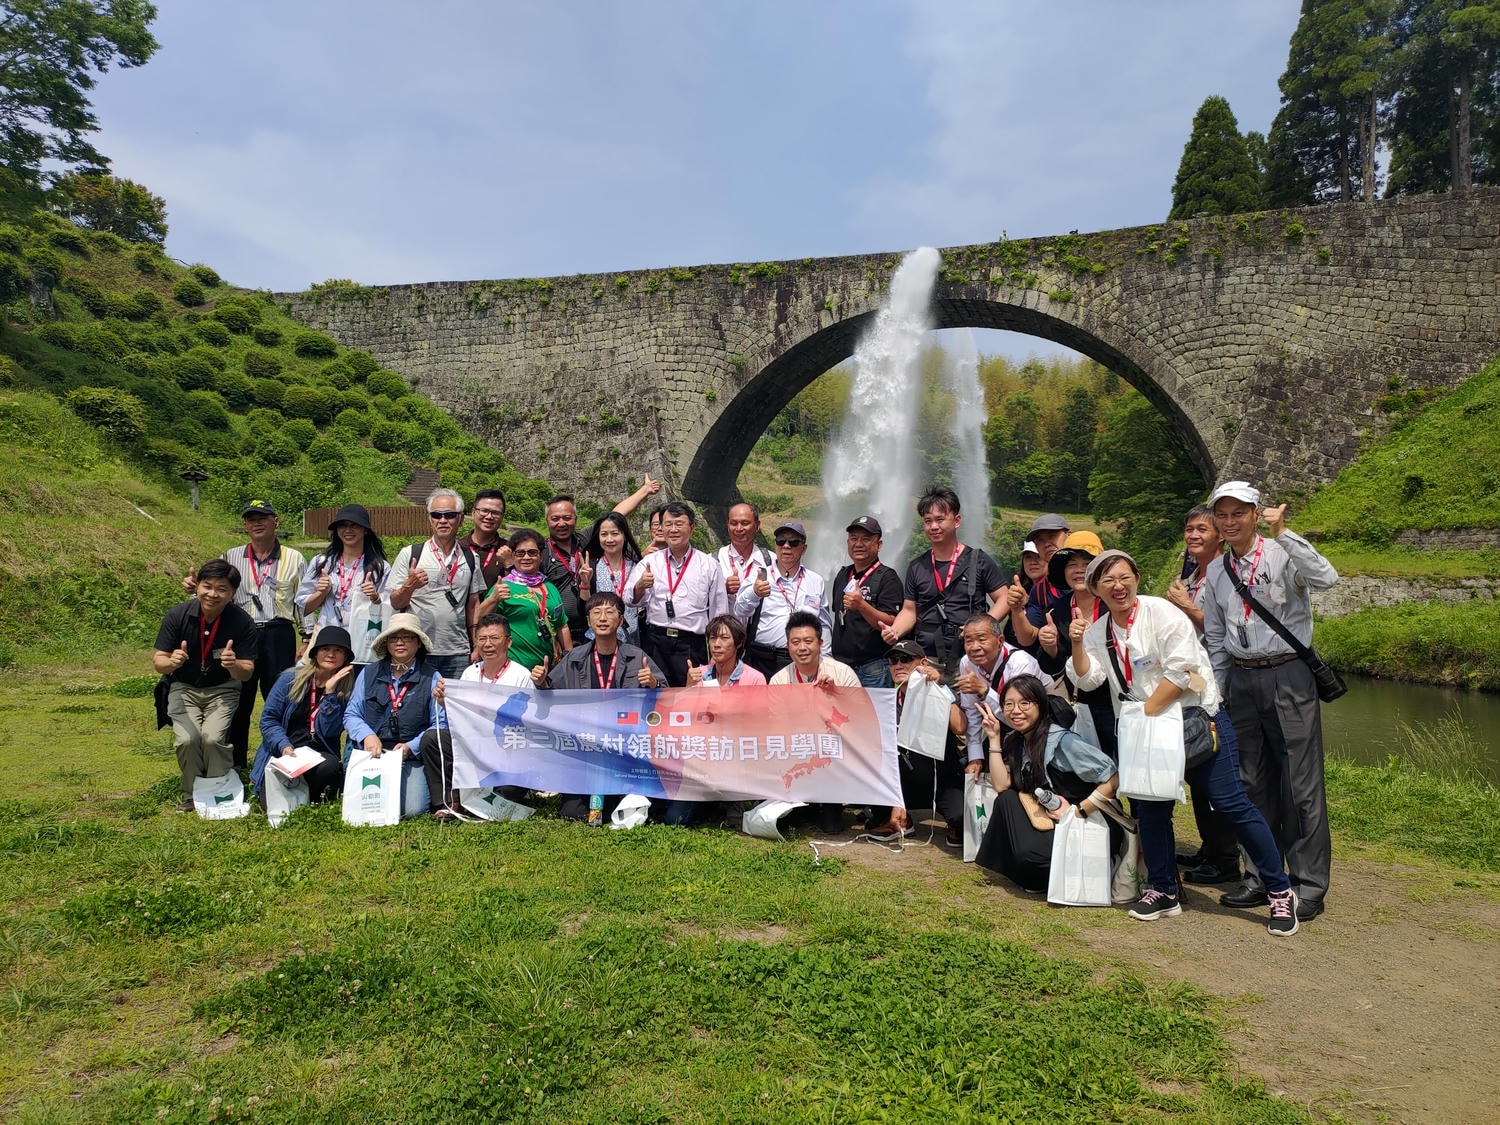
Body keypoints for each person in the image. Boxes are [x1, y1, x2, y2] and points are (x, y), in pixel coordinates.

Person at [1068, 549, 1299, 935]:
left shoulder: (1162, 613)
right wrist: (1076, 643)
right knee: (1151, 810)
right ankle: (1162, 888)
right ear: (1095, 589)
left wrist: (1145, 718)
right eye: (1107, 581)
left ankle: (1279, 889)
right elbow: (1088, 680)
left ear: (1137, 578)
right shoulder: (1098, 631)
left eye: (1124, 577)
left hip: (1195, 718)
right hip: (1148, 728)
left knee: (1231, 803)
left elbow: (1183, 670)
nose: (1118, 586)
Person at [1202, 481, 1339, 923]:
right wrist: (1215, 696)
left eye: (1238, 512)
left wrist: (1287, 535)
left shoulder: (1282, 552)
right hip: (1241, 679)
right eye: (1221, 515)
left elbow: (1326, 579)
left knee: (1300, 784)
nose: (1229, 521)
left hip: (1288, 674)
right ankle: (1262, 877)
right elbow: (1218, 637)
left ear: (1256, 513)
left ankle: (1307, 885)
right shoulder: (1217, 571)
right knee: (1249, 781)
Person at [187, 500, 306, 770]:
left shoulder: (294, 557)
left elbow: (302, 600)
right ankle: (234, 764)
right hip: (240, 633)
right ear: (245, 525)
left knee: (281, 697)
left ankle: (283, 761)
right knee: (238, 699)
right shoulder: (231, 556)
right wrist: (194, 591)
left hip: (279, 633)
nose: (257, 523)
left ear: (275, 521)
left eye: (262, 517)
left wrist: (307, 636)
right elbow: (216, 591)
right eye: (251, 519)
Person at [973, 674, 1119, 894]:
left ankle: (1096, 864)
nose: (1016, 710)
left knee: (1030, 857)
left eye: (1024, 703)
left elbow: (1113, 778)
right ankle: (1040, 874)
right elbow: (1001, 785)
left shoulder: (1062, 741)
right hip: (1055, 823)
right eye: (1009, 704)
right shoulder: (1016, 740)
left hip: (1087, 822)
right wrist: (993, 738)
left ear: (1040, 705)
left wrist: (1077, 811)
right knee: (1007, 799)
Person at [1162, 505, 1241, 886]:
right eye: (1188, 529)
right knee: (1195, 765)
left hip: (1218, 681)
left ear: (1220, 536)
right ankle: (1210, 848)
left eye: (1201, 530)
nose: (1193, 536)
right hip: (1194, 679)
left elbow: (1226, 629)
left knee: (1212, 769)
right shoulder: (1192, 573)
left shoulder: (1226, 574)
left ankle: (1226, 858)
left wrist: (1185, 606)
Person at [539, 593, 668, 822]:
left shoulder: (636, 656)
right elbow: (551, 693)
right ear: (588, 621)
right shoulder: (576, 657)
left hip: (624, 747)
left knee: (622, 808)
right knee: (573, 812)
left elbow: (666, 695)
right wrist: (541, 682)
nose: (603, 618)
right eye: (596, 612)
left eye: (610, 612)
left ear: (620, 620)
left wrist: (653, 683)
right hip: (586, 748)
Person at [154, 559, 261, 811]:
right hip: (184, 687)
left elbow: (246, 673)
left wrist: (233, 664)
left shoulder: (242, 622)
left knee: (213, 740)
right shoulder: (177, 615)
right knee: (188, 740)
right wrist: (172, 662)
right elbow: (158, 661)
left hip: (224, 688)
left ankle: (216, 792)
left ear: (233, 593)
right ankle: (191, 795)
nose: (213, 594)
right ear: (197, 586)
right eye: (207, 586)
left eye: (222, 588)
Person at [882, 487, 1011, 682]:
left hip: (970, 659)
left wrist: (980, 627)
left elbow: (1004, 598)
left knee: (970, 710)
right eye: (928, 521)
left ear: (956, 520)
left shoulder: (979, 560)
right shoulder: (917, 566)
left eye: (940, 519)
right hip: (927, 659)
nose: (933, 526)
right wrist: (895, 630)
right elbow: (910, 610)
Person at [344, 613, 446, 820]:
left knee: (412, 809)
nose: (400, 642)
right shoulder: (368, 673)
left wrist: (411, 747)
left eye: (408, 637)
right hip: (373, 753)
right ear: (386, 643)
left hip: (410, 755)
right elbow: (352, 714)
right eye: (394, 638)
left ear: (418, 644)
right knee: (369, 805)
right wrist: (367, 736)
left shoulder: (433, 677)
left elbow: (439, 723)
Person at [769, 611, 862, 834]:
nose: (802, 648)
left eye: (808, 641)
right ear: (788, 645)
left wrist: (834, 695)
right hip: (796, 753)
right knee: (787, 823)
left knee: (832, 827)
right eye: (796, 642)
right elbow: (775, 726)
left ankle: (831, 803)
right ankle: (802, 802)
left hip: (833, 756)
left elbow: (860, 718)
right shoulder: (779, 680)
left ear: (820, 643)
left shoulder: (842, 673)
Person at [866, 639, 967, 843]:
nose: (898, 665)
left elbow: (960, 726)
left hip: (941, 778)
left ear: (923, 664)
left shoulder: (937, 691)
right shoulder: (887, 700)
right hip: (904, 779)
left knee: (961, 818)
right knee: (870, 772)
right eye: (893, 661)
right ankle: (901, 820)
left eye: (905, 659)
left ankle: (953, 824)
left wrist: (940, 686)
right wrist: (895, 801)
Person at [1028, 530, 1118, 760]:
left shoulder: (1115, 603)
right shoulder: (1058, 609)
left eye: (1087, 563)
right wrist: (1050, 648)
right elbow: (1054, 665)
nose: (1079, 570)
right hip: (1080, 704)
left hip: (1118, 702)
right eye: (1072, 564)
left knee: (1125, 767)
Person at [542, 478, 661, 644]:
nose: (561, 523)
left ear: (575, 519)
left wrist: (645, 490)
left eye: (567, 518)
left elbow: (615, 517)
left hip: (606, 629)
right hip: (563, 630)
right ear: (547, 520)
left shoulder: (583, 539)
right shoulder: (541, 552)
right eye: (555, 518)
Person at [250, 625, 356, 809]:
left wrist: (330, 694)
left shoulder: (345, 689)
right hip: (285, 751)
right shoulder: (290, 679)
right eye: (325, 649)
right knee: (272, 806)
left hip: (317, 754)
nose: (331, 654)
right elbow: (269, 720)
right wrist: (283, 746)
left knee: (329, 766)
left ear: (345, 657)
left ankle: (308, 794)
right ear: (315, 653)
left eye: (338, 650)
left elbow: (330, 732)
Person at [625, 501, 730, 686]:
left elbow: (719, 614)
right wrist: (640, 585)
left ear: (692, 528)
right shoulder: (649, 562)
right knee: (654, 699)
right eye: (667, 524)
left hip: (692, 644)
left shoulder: (709, 565)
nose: (673, 529)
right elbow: (628, 599)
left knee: (692, 701)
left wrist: (716, 654)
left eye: (679, 524)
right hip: (655, 642)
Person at [387, 488, 483, 679]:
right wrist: (409, 586)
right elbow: (396, 603)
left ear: (461, 519)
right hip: (418, 650)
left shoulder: (471, 558)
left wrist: (476, 645)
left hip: (457, 651)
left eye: (449, 515)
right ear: (430, 518)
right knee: (417, 706)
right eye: (436, 515)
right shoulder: (411, 554)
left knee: (452, 707)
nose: (443, 520)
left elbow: (473, 605)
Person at [954, 614, 1050, 776]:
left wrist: (983, 691)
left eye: (982, 639)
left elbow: (1020, 718)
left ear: (1000, 640)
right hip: (1002, 727)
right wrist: (975, 757)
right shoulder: (966, 663)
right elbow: (972, 712)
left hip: (1038, 730)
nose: (974, 647)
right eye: (968, 640)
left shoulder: (1021, 663)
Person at [734, 519, 831, 679]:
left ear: (803, 548)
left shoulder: (815, 580)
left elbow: (824, 625)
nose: (786, 546)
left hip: (804, 660)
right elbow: (739, 611)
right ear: (776, 545)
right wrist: (755, 592)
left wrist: (826, 662)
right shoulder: (759, 575)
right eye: (781, 541)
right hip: (764, 660)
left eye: (793, 542)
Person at [298, 503, 388, 667]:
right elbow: (304, 608)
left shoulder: (380, 567)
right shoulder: (322, 563)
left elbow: (389, 609)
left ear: (365, 529)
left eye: (354, 525)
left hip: (360, 641)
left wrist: (375, 597)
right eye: (343, 525)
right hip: (326, 639)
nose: (348, 530)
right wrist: (321, 592)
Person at [476, 528, 573, 674]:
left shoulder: (550, 587)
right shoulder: (504, 586)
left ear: (540, 556)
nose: (526, 557)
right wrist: (493, 599)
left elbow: (562, 626)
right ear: (513, 556)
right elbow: (480, 619)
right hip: (513, 671)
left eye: (532, 552)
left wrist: (570, 659)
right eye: (520, 553)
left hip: (549, 669)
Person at [830, 515, 904, 689]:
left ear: (879, 544)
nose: (858, 544)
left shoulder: (888, 577)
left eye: (866, 539)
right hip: (841, 666)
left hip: (872, 667)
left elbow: (892, 623)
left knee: (873, 716)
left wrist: (862, 606)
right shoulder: (843, 574)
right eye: (854, 539)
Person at [581, 511, 645, 646]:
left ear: (625, 536)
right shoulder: (591, 566)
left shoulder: (638, 566)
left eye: (615, 533)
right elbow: (584, 606)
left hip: (632, 640)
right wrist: (585, 583)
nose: (609, 539)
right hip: (598, 639)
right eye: (604, 534)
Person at [686, 613, 768, 687]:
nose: (717, 644)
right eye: (713, 638)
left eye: (724, 638)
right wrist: (690, 685)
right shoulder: (698, 675)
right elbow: (687, 703)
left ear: (738, 643)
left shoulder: (754, 679)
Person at [461, 613, 537, 689]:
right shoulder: (469, 673)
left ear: (508, 642)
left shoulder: (521, 676)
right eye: (482, 639)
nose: (487, 644)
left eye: (494, 638)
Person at [715, 501, 773, 600]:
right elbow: (698, 599)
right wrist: (723, 589)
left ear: (757, 525)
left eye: (745, 523)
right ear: (727, 525)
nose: (739, 528)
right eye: (733, 523)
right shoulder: (712, 561)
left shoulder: (771, 561)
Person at [461, 489, 513, 590]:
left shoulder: (510, 550)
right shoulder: (458, 547)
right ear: (473, 512)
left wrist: (510, 565)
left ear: (502, 517)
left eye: (495, 513)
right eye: (484, 511)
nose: (489, 516)